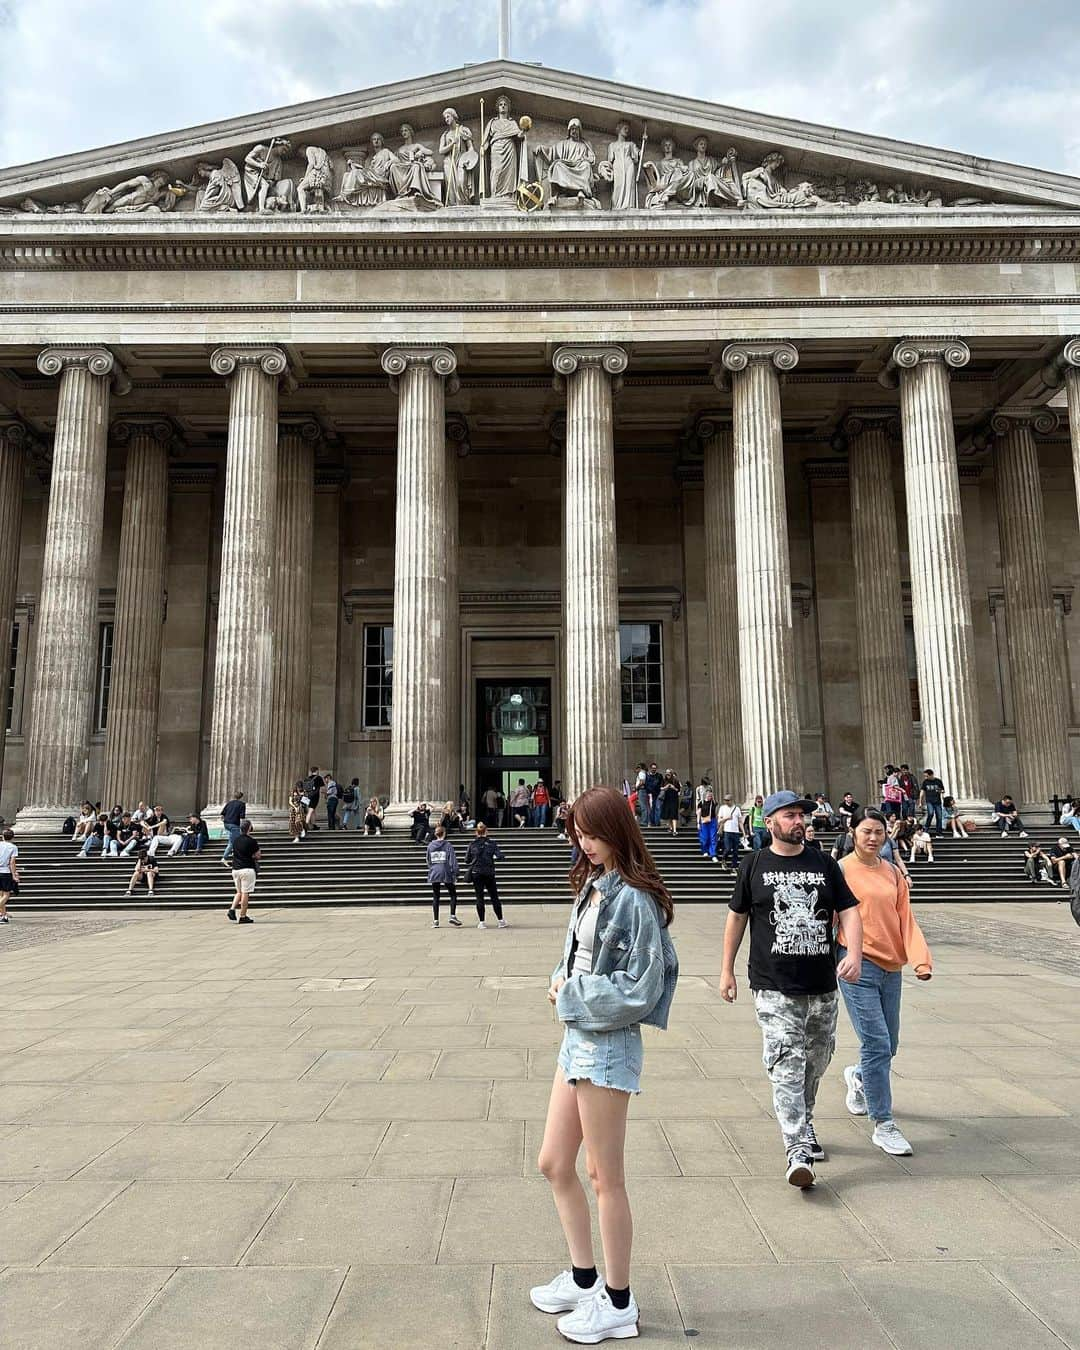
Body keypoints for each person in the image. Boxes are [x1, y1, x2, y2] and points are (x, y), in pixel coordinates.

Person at [535, 784, 678, 1344]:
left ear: (616, 830)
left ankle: (618, 1302)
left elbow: (640, 989)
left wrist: (570, 992)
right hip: (577, 1039)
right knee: (553, 1162)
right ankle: (583, 1277)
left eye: (592, 833)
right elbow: (581, 955)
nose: (583, 843)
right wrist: (560, 979)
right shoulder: (594, 885)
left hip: (607, 1045)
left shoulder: (636, 899)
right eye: (577, 833)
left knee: (604, 1177)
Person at [720, 790, 863, 1188]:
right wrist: (726, 971)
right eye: (790, 815)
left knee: (816, 1061)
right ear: (770, 822)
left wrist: (856, 951)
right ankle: (796, 1146)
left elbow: (849, 908)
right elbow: (737, 919)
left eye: (801, 814)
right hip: (773, 984)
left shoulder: (824, 863)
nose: (799, 821)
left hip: (821, 985)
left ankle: (806, 1119)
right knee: (786, 1062)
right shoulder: (754, 865)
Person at [838, 808, 932, 1158]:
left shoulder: (893, 872)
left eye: (879, 832)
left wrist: (920, 959)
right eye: (866, 831)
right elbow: (831, 920)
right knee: (877, 1043)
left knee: (889, 1044)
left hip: (892, 967)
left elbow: (905, 919)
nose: (874, 838)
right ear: (853, 833)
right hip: (856, 965)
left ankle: (860, 1077)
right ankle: (884, 1123)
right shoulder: (842, 870)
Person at [464, 822, 507, 928]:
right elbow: (500, 856)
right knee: (494, 897)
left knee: (479, 897)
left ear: (476, 832)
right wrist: (494, 857)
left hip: (476, 872)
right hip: (489, 872)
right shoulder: (492, 843)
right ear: (486, 831)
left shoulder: (472, 844)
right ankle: (500, 920)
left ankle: (482, 922)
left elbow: (467, 860)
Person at [427, 825, 463, 928]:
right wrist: (456, 873)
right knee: (453, 894)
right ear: (444, 833)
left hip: (434, 871)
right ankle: (452, 915)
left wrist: (432, 868)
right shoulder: (448, 845)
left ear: (435, 834)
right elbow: (452, 860)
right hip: (446, 871)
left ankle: (435, 921)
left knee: (436, 896)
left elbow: (428, 860)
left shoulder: (430, 846)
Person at [226, 820, 260, 924]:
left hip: (236, 869)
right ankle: (243, 915)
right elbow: (258, 855)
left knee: (239, 892)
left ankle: (232, 909)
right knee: (245, 893)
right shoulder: (252, 841)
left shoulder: (236, 840)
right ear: (250, 828)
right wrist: (252, 856)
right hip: (247, 869)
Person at [718, 793, 743, 870]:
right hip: (727, 831)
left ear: (732, 800)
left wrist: (743, 832)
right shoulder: (722, 808)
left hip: (735, 832)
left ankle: (734, 867)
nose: (726, 802)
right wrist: (726, 818)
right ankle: (723, 859)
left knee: (736, 851)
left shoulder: (737, 809)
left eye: (728, 800)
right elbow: (719, 821)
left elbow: (740, 821)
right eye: (725, 800)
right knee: (728, 848)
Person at [0, 828, 19, 922]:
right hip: (5, 872)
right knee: (6, 895)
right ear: (12, 837)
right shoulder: (13, 847)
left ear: (2, 837)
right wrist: (14, 875)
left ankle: (3, 915)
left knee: (1, 895)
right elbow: (12, 862)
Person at [221, 791, 246, 862]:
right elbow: (242, 817)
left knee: (233, 839)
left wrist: (225, 821)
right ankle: (224, 858)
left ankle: (234, 852)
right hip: (234, 825)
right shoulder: (242, 804)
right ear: (241, 797)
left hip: (226, 824)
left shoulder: (229, 803)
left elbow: (222, 815)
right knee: (232, 843)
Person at [919, 770, 946, 834]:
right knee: (930, 814)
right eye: (925, 776)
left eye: (927, 776)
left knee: (939, 816)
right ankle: (926, 828)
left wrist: (942, 794)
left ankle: (939, 832)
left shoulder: (938, 781)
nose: (925, 777)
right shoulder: (925, 782)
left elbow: (942, 790)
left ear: (931, 775)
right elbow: (922, 791)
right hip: (929, 801)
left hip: (937, 801)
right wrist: (920, 802)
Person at [696, 788, 718, 862]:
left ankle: (713, 854)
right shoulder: (701, 803)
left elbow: (716, 812)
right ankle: (705, 850)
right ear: (705, 795)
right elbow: (698, 813)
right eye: (709, 796)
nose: (710, 797)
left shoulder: (713, 802)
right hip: (703, 821)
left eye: (711, 796)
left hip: (712, 821)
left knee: (713, 837)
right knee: (704, 838)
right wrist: (698, 823)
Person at [644, 763, 663, 828]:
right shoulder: (648, 776)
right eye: (653, 768)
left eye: (655, 768)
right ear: (650, 768)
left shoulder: (659, 776)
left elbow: (661, 784)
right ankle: (652, 822)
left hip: (657, 794)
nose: (654, 769)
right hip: (650, 794)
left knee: (657, 807)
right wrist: (649, 791)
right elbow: (646, 785)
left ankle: (657, 822)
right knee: (652, 808)